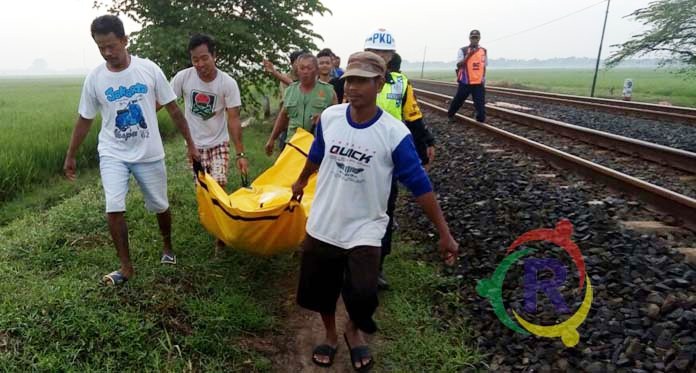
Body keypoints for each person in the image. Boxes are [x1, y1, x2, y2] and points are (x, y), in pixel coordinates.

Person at [291, 51, 459, 371]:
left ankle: (354, 329)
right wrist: (300, 181)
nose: (353, 87)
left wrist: (445, 233)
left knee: (364, 292)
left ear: (379, 84)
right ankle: (330, 334)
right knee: (321, 288)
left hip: (366, 226)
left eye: (362, 81)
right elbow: (317, 153)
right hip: (326, 220)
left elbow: (419, 184)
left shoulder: (394, 133)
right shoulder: (331, 118)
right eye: (350, 80)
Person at [63, 15, 200, 285]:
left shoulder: (148, 70)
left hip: (149, 151)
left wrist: (191, 145)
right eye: (101, 47)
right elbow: (85, 119)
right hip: (113, 150)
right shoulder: (95, 78)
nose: (107, 52)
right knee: (113, 206)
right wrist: (71, 154)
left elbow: (173, 109)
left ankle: (167, 247)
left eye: (112, 45)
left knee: (160, 205)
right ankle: (126, 267)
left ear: (125, 40)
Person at [364, 28, 435, 290]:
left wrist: (427, 142)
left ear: (392, 55)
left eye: (384, 52)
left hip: (388, 157)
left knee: (385, 210)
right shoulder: (353, 79)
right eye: (374, 52)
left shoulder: (401, 83)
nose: (380, 56)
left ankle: (377, 266)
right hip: (359, 151)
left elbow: (413, 117)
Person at [170, 34, 248, 253]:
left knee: (219, 185)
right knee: (203, 190)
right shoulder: (183, 78)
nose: (200, 64)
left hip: (219, 143)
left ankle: (220, 238)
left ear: (215, 56)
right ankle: (215, 224)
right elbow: (164, 101)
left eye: (204, 58)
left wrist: (240, 154)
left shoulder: (227, 83)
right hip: (194, 146)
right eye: (195, 59)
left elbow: (233, 118)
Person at [264, 53, 337, 156]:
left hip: (316, 146)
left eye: (309, 68)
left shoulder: (329, 91)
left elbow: (337, 119)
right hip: (292, 144)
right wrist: (272, 139)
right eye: (302, 68)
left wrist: (324, 118)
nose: (305, 71)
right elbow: (283, 116)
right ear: (297, 71)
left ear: (316, 70)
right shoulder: (290, 91)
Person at [447, 29, 487, 123]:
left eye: (476, 38)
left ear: (479, 39)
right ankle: (450, 114)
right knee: (458, 100)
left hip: (478, 83)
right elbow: (458, 65)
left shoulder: (483, 51)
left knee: (480, 104)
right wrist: (468, 56)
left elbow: (484, 66)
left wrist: (483, 79)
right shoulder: (463, 50)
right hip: (465, 82)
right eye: (473, 38)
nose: (474, 40)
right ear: (469, 38)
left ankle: (480, 119)